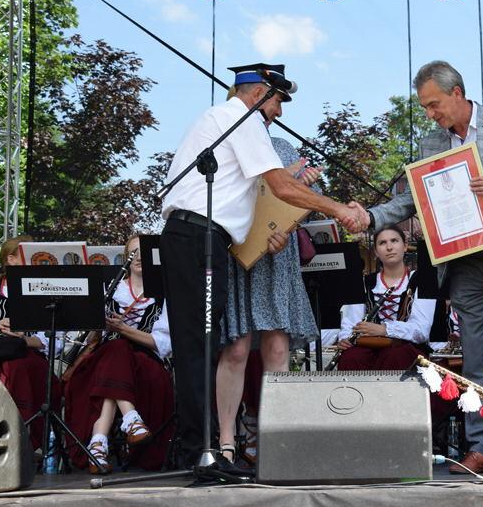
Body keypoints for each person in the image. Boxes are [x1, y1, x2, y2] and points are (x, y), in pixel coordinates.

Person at [349, 60, 483, 474]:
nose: (430, 114)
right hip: (462, 262)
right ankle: (482, 446)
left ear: (458, 93)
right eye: (425, 107)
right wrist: (371, 216)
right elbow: (410, 200)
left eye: (434, 104)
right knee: (475, 360)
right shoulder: (431, 144)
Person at [160, 63, 360, 468]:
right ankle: (201, 453)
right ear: (257, 95)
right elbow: (283, 188)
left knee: (198, 347)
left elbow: (267, 197)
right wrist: (339, 209)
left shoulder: (220, 118)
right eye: (277, 102)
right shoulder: (241, 118)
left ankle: (202, 451)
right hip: (198, 236)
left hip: (200, 237)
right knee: (200, 348)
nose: (279, 113)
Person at [215, 134, 321, 465]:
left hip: (277, 258)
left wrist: (290, 219)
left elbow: (310, 203)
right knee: (237, 349)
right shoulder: (226, 145)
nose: (275, 112)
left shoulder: (283, 147)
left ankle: (277, 441)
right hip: (238, 254)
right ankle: (227, 442)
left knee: (277, 348)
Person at [64, 235, 173, 475]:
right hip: (104, 359)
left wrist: (123, 329)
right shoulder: (108, 289)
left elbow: (163, 344)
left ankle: (98, 443)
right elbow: (90, 337)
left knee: (118, 351)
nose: (139, 258)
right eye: (134, 253)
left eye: (144, 253)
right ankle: (131, 420)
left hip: (144, 362)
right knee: (116, 350)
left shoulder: (165, 295)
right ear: (126, 258)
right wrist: (97, 322)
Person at [0, 235, 60, 451]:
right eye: (30, 256)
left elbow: (55, 343)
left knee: (19, 367)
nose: (36, 262)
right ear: (11, 259)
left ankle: (22, 439)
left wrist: (24, 339)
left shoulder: (45, 293)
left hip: (26, 353)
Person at [336, 225, 435, 370]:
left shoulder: (421, 281)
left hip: (406, 348)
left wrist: (385, 329)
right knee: (352, 357)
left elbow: (421, 330)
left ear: (405, 246)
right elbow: (351, 323)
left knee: (395, 355)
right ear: (376, 252)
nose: (389, 247)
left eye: (394, 241)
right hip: (369, 345)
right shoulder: (364, 282)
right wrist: (345, 338)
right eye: (382, 243)